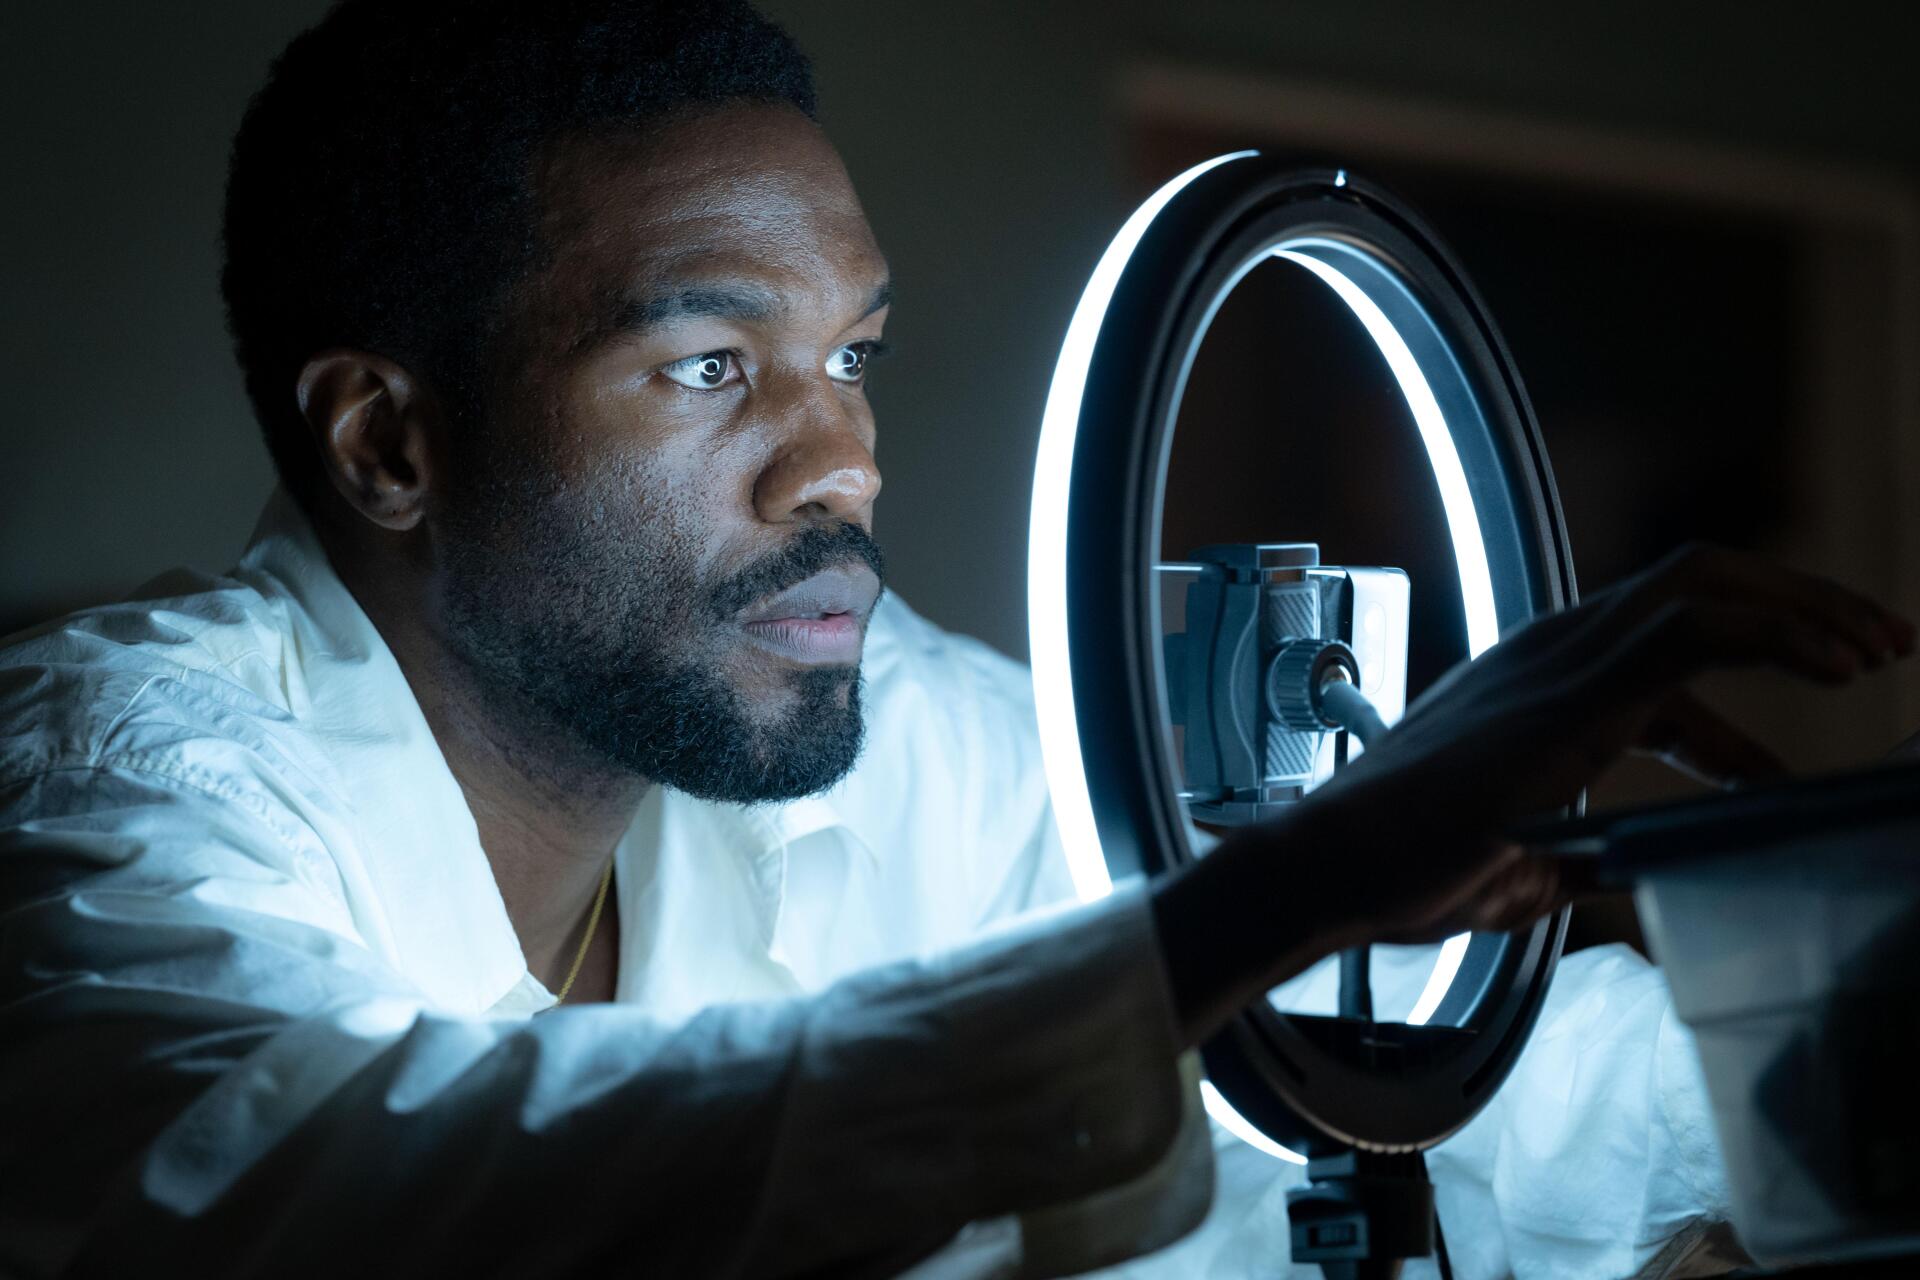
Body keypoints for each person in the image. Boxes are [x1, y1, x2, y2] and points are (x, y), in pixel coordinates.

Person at [0, 2, 1909, 1276]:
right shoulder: (104, 786)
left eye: (853, 356)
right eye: (708, 366)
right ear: (391, 442)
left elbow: (1325, 1084)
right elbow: (337, 1199)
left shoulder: (895, 735)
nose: (842, 461)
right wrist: (1303, 876)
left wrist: (1831, 996)